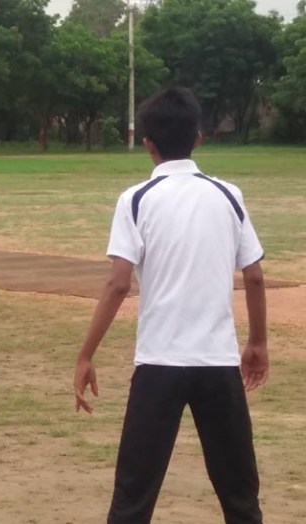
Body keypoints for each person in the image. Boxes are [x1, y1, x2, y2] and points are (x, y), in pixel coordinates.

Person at [73, 87, 268, 524]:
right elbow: (254, 276)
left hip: (159, 364)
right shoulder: (229, 195)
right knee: (241, 499)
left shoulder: (136, 199)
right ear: (198, 137)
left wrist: (86, 355)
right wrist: (257, 343)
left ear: (148, 144)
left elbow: (118, 284)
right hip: (218, 365)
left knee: (132, 501)